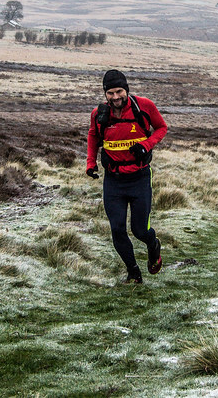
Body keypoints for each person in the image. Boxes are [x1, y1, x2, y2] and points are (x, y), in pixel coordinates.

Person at [86, 69, 168, 284]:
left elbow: (161, 127)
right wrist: (90, 163)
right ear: (105, 94)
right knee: (117, 229)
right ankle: (133, 272)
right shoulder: (99, 113)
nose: (115, 97)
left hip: (140, 178)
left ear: (127, 90)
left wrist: (146, 144)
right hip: (113, 180)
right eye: (110, 93)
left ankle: (153, 245)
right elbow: (93, 135)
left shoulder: (144, 106)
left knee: (140, 230)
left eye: (119, 91)